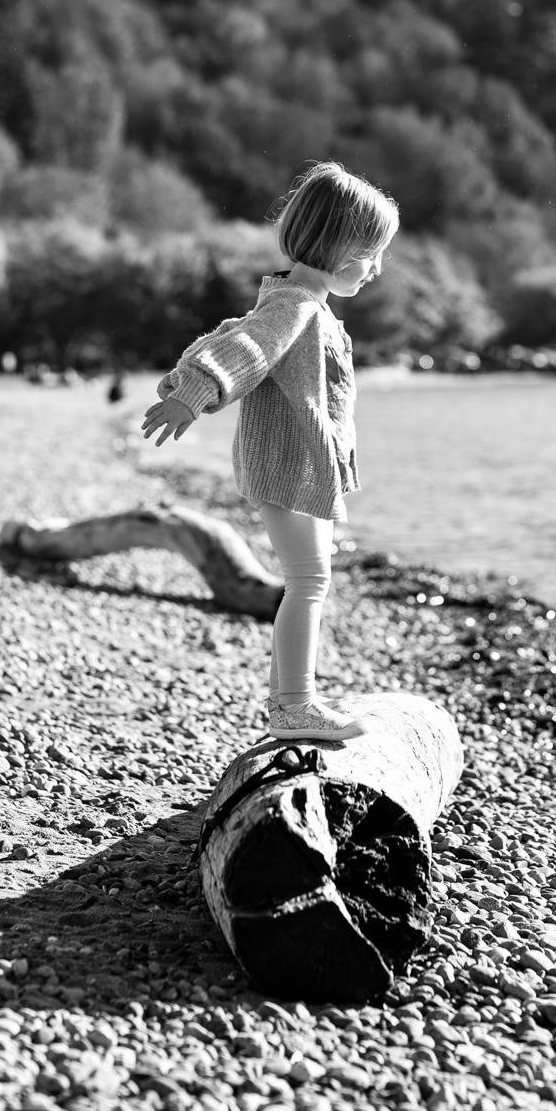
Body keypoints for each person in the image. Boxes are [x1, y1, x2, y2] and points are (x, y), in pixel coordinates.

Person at [141, 161, 399, 742]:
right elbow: (248, 348)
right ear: (337, 247)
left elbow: (232, 332)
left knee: (312, 578)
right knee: (308, 580)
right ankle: (293, 705)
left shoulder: (301, 303)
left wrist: (187, 378)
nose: (376, 268)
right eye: (370, 253)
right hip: (286, 466)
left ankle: (293, 697)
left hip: (302, 467)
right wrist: (196, 391)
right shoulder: (297, 308)